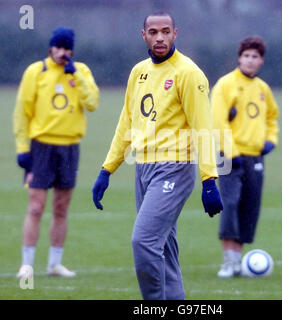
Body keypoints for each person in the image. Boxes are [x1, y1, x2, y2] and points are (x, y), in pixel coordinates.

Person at [92, 12, 223, 300]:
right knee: (164, 248)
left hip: (174, 169)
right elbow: (127, 123)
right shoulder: (138, 72)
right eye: (153, 32)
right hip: (143, 168)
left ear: (176, 33)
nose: (160, 37)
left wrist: (209, 179)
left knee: (144, 241)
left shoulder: (189, 73)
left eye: (166, 31)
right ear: (144, 35)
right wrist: (107, 169)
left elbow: (203, 127)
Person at [13, 26, 99, 278]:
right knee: (36, 207)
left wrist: (77, 76)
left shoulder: (80, 71)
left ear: (72, 50)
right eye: (58, 47)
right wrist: (22, 149)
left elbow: (92, 103)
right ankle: (27, 264)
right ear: (51, 47)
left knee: (61, 207)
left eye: (67, 48)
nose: (62, 52)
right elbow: (22, 112)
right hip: (41, 147)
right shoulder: (36, 71)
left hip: (70, 147)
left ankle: (54, 264)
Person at [211, 36, 279, 278]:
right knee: (229, 204)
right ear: (239, 58)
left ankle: (238, 260)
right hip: (228, 156)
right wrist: (231, 152)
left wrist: (271, 140)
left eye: (255, 56)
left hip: (255, 157)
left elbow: (272, 117)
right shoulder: (225, 84)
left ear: (261, 61)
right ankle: (228, 262)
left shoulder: (263, 89)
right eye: (246, 55)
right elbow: (217, 120)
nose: (250, 60)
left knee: (249, 206)